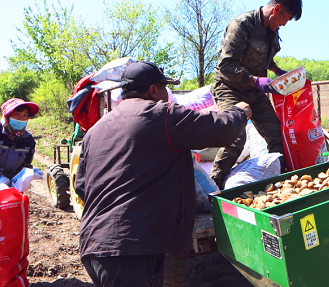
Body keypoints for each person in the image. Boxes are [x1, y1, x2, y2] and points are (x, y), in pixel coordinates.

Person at [75, 61, 251, 287]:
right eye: (165, 87)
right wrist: (239, 112)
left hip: (94, 247)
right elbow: (219, 129)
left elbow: (82, 187)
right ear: (153, 90)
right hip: (134, 250)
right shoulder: (162, 115)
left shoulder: (95, 130)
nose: (167, 93)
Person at [210, 0, 302, 188]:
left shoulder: (272, 29)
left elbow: (261, 57)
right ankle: (214, 187)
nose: (284, 24)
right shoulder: (242, 25)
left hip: (254, 91)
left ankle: (279, 184)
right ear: (276, 9)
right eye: (285, 18)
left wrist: (276, 70)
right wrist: (255, 80)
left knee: (276, 133)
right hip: (229, 87)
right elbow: (226, 64)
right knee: (235, 135)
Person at [0, 98, 39, 184]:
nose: (21, 119)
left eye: (25, 115)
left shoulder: (28, 140)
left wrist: (23, 177)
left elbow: (26, 164)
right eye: (17, 114)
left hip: (11, 186)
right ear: (7, 116)